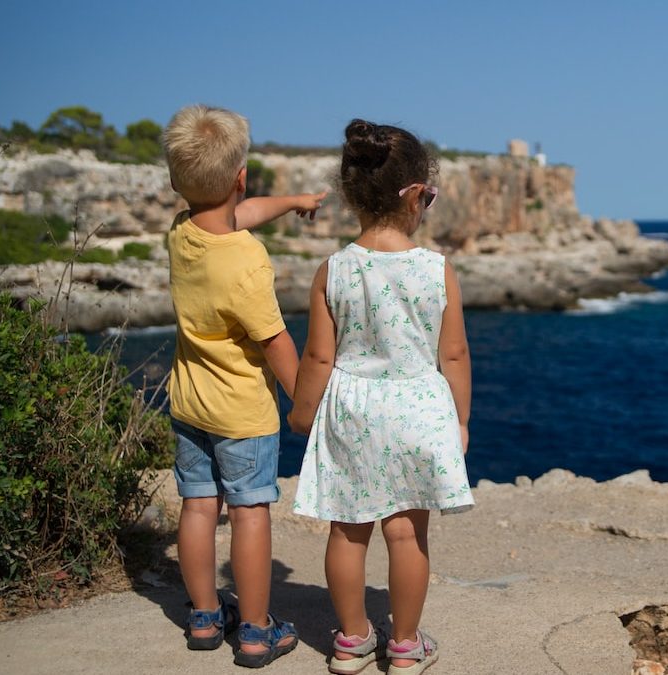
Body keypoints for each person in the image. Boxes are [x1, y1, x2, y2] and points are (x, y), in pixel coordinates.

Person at [288, 119, 474, 675]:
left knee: (347, 530)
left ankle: (350, 642)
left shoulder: (334, 270)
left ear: (351, 195)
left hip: (353, 407)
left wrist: (300, 412)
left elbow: (319, 357)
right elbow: (455, 355)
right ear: (417, 194)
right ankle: (405, 644)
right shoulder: (437, 269)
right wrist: (460, 422)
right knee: (407, 532)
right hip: (417, 408)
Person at [163, 104, 326, 668]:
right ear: (240, 176)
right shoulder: (246, 261)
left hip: (189, 406)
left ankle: (206, 617)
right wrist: (309, 409)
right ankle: (256, 630)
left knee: (197, 505)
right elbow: (276, 342)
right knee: (251, 512)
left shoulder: (181, 233)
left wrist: (294, 203)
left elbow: (237, 213)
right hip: (242, 416)